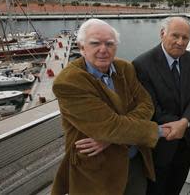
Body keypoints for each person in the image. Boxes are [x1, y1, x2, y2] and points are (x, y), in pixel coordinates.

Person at [51, 19, 162, 195]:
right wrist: (158, 131)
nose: (103, 49)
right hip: (97, 172)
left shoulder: (124, 68)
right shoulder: (69, 82)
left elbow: (146, 104)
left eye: (109, 44)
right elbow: (109, 126)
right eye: (95, 43)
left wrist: (111, 136)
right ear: (81, 48)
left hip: (134, 162)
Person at [133, 17, 190, 195]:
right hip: (159, 147)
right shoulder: (142, 64)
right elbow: (151, 108)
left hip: (185, 143)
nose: (180, 42)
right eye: (175, 36)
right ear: (162, 34)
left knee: (176, 188)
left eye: (185, 38)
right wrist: (181, 124)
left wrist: (186, 122)